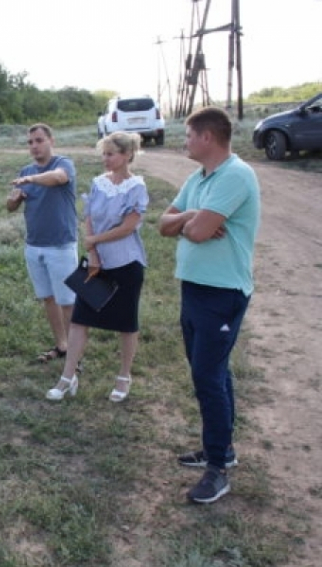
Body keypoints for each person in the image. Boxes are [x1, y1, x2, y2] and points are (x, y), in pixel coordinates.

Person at [158, 106, 260, 504]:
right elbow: (166, 224)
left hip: (222, 292)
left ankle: (217, 468)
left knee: (208, 377)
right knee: (212, 373)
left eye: (187, 135)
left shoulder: (235, 175)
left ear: (207, 137)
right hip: (196, 289)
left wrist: (191, 223)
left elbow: (198, 233)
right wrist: (191, 215)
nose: (183, 142)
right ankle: (224, 449)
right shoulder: (199, 177)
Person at [45, 131, 148, 402]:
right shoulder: (99, 183)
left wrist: (95, 240)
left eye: (111, 154)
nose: (106, 159)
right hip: (96, 262)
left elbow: (128, 227)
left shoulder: (137, 186)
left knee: (126, 323)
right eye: (104, 153)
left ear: (127, 155)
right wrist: (92, 252)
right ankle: (67, 377)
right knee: (80, 319)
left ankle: (124, 377)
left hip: (126, 262)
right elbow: (89, 216)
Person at [6, 123, 79, 363]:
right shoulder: (26, 170)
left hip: (60, 245)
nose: (34, 146)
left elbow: (58, 178)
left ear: (51, 141)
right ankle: (62, 345)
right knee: (48, 298)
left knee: (67, 301)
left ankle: (75, 357)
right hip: (34, 245)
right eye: (30, 142)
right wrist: (15, 199)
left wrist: (31, 179)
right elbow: (10, 206)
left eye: (39, 140)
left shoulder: (63, 164)